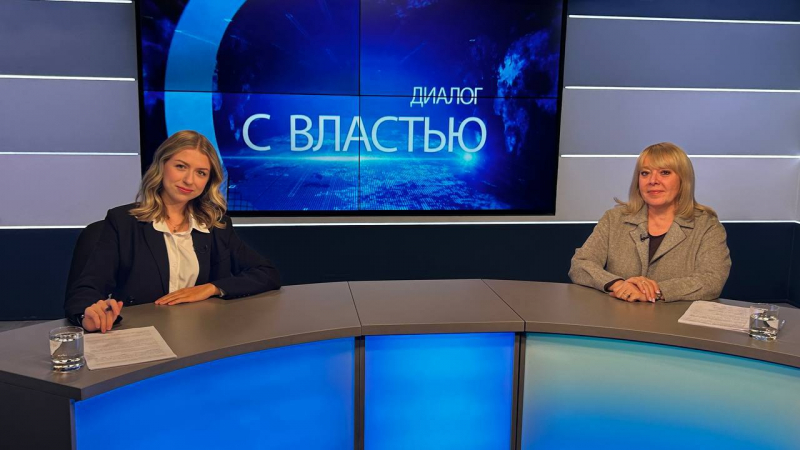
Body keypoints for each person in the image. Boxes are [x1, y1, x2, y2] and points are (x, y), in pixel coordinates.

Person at [65, 130, 281, 332]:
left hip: (204, 334)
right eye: (180, 166)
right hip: (143, 334)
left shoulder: (215, 225)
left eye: (201, 173)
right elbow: (85, 290)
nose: (189, 180)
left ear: (208, 181)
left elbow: (266, 273)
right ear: (162, 166)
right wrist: (87, 315)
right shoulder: (123, 222)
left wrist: (211, 288)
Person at [569, 142, 730, 303]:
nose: (653, 180)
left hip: (675, 318)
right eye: (645, 173)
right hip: (617, 315)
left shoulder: (707, 226)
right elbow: (581, 264)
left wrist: (655, 291)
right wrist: (619, 285)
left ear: (683, 180)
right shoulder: (614, 219)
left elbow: (712, 280)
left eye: (665, 173)